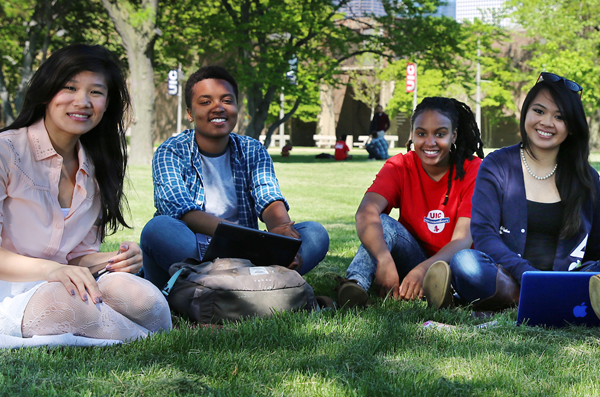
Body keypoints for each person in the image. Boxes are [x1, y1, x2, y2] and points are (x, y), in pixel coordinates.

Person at [0, 44, 172, 341]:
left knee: (144, 299)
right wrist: (51, 270)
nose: (82, 101)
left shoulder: (96, 167)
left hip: (61, 281)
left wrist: (116, 260)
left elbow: (76, 257)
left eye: (96, 92)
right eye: (69, 87)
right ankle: (157, 343)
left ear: (107, 104)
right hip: (10, 289)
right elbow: (58, 267)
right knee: (71, 306)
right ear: (47, 92)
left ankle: (133, 331)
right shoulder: (7, 152)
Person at [141, 66, 329, 289]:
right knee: (158, 228)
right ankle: (262, 280)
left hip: (249, 252)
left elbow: (268, 196)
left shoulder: (252, 149)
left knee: (315, 234)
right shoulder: (171, 151)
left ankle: (230, 286)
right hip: (197, 252)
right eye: (205, 102)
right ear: (189, 113)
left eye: (227, 100)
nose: (218, 108)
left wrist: (283, 236)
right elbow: (183, 211)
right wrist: (249, 242)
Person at [429, 72, 600, 313]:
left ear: (571, 127)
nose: (546, 123)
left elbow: (595, 245)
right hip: (505, 274)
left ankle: (532, 297)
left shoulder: (587, 179)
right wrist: (526, 273)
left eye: (559, 116)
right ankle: (554, 299)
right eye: (539, 111)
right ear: (526, 113)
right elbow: (484, 234)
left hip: (566, 276)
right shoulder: (497, 164)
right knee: (465, 263)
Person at [337, 97, 484, 308]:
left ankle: (445, 291)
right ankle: (354, 286)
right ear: (412, 134)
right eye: (421, 133)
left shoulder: (474, 170)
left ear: (454, 135)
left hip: (456, 263)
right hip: (412, 258)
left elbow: (462, 240)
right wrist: (384, 259)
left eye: (440, 134)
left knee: (463, 261)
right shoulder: (399, 166)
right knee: (382, 223)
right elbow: (365, 212)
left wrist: (424, 269)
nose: (430, 142)